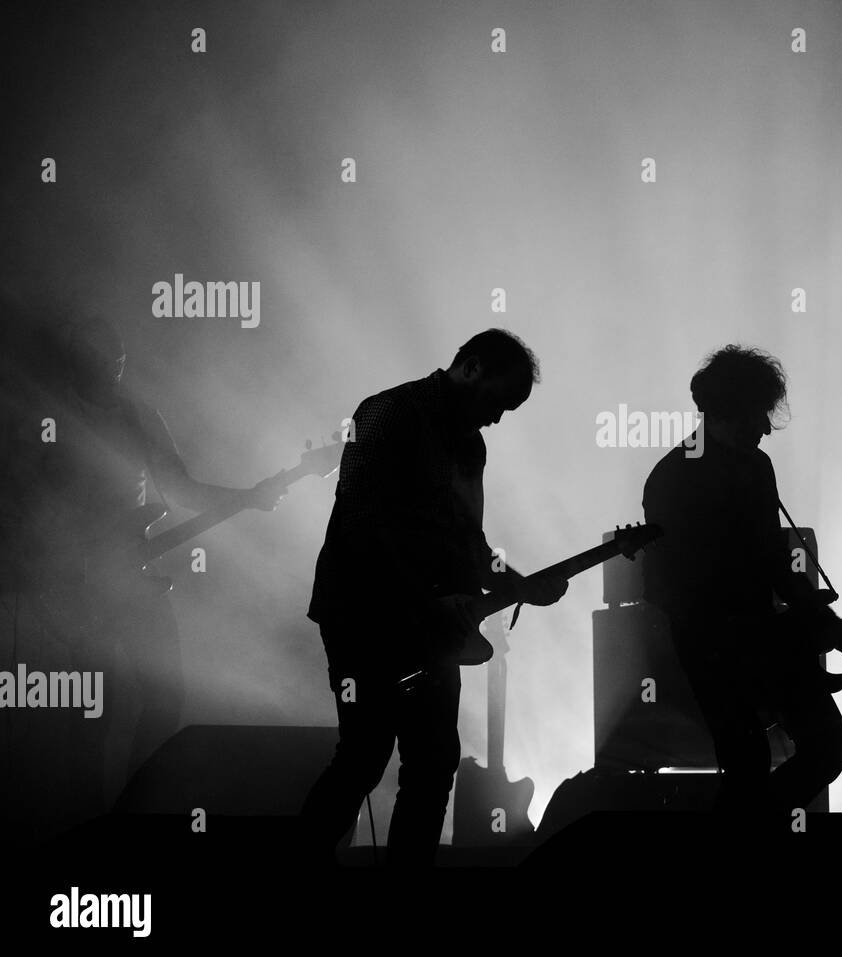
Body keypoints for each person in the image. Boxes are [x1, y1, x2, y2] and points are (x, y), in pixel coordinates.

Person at [300, 328, 568, 867]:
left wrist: (515, 583)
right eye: (498, 401)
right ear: (471, 367)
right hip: (365, 614)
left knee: (431, 759)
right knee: (367, 754)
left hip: (430, 624)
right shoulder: (389, 412)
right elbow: (363, 523)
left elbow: (469, 543)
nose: (497, 418)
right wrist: (430, 601)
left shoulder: (469, 443)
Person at [7, 315, 282, 823]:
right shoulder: (49, 418)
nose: (107, 371)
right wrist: (49, 575)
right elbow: (26, 501)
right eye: (96, 360)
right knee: (95, 708)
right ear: (77, 362)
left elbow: (180, 489)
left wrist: (248, 496)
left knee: (164, 699)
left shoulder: (138, 416)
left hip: (131, 577)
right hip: (76, 578)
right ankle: (95, 824)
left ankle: (132, 815)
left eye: (114, 361)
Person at [641, 345, 842, 815]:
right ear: (729, 409)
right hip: (711, 647)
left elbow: (775, 562)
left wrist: (823, 621)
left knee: (828, 748)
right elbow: (670, 588)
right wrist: (786, 629)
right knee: (749, 762)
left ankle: (749, 828)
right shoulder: (672, 480)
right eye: (758, 413)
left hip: (761, 639)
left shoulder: (755, 467)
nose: (766, 428)